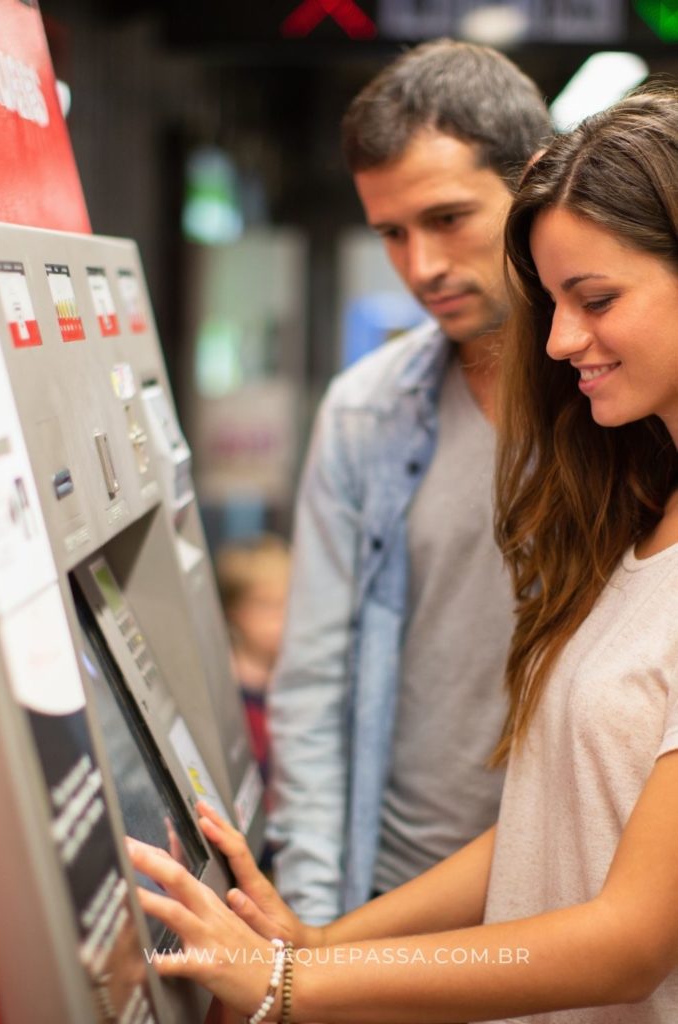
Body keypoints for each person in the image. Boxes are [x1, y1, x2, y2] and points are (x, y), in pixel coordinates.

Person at [128, 86, 678, 1022]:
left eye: (594, 299)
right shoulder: (637, 506)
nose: (559, 340)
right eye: (552, 302)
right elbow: (550, 821)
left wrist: (289, 983)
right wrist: (321, 941)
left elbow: (626, 943)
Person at [267, 39, 553, 924]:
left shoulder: (627, 403)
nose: (420, 265)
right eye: (390, 232)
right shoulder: (365, 412)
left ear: (536, 183)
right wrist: (313, 940)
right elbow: (312, 686)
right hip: (392, 895)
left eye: (448, 218)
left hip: (575, 891)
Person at [216, 534, 291, 787]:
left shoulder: (290, 680)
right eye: (266, 605)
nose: (282, 617)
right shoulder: (227, 698)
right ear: (233, 611)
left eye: (288, 602)